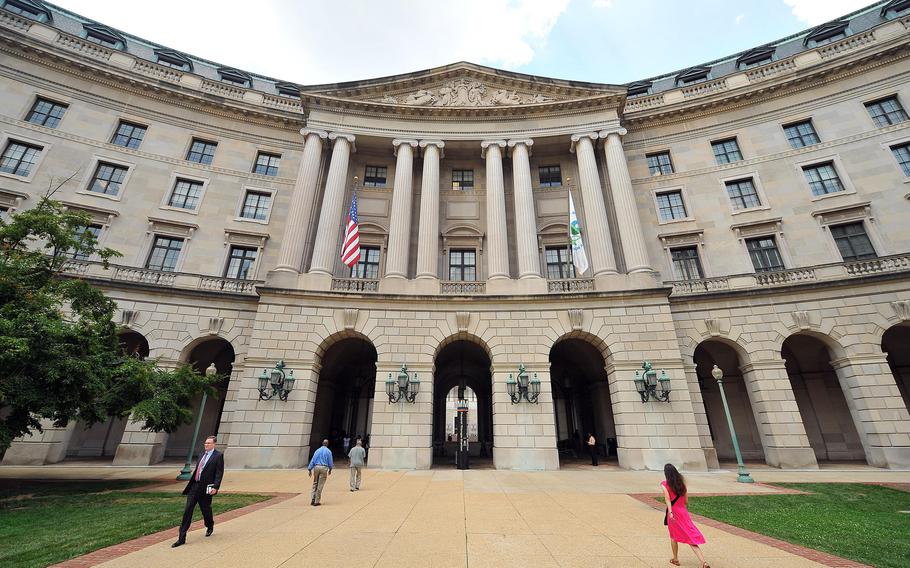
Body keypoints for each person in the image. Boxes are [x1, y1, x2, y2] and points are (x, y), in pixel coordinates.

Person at [172, 435, 224, 548]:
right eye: (205, 443)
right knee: (188, 511)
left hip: (205, 488)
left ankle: (209, 525)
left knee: (206, 510)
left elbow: (219, 473)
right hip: (194, 487)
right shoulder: (201, 455)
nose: (206, 445)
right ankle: (181, 538)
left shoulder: (218, 456)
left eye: (209, 443)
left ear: (214, 444)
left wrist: (216, 487)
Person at [661, 463, 710, 568]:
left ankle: (675, 559)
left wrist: (670, 512)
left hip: (673, 514)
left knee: (673, 536)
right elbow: (686, 501)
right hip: (683, 513)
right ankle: (704, 562)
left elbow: (667, 499)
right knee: (691, 537)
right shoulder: (682, 485)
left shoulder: (664, 485)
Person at [307, 439, 334, 506]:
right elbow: (330, 462)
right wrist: (330, 469)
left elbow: (313, 460)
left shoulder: (317, 450)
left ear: (322, 443)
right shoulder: (328, 451)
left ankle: (313, 498)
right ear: (327, 444)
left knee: (315, 483)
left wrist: (310, 469)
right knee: (320, 484)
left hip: (316, 467)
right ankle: (316, 501)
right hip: (324, 467)